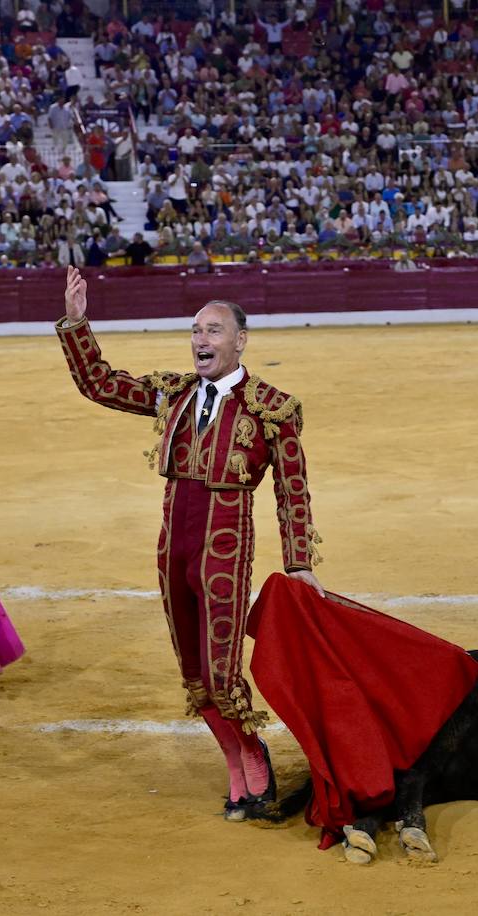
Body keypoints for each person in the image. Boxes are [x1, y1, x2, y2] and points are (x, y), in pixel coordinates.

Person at [56, 267, 324, 819]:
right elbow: (101, 384)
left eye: (213, 330)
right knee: (193, 672)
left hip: (225, 552)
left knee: (221, 668)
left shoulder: (271, 406)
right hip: (171, 548)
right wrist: (78, 322)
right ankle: (233, 762)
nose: (201, 339)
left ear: (240, 340)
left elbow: (292, 491)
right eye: (196, 330)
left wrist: (299, 563)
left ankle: (253, 758)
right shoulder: (174, 393)